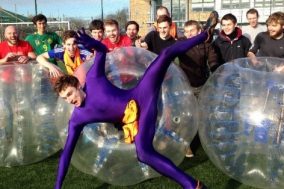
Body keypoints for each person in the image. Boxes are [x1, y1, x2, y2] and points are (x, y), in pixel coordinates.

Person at [53, 12, 218, 189]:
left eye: (69, 94)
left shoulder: (93, 78)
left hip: (140, 95)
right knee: (144, 153)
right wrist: (57, 186)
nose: (69, 100)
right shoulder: (78, 118)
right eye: (64, 98)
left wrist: (94, 44)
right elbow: (66, 154)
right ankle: (195, 186)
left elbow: (102, 51)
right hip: (136, 118)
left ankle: (205, 34)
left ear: (77, 85)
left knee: (166, 54)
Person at [178, 19, 218, 158]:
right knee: (186, 116)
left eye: (192, 31)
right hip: (185, 86)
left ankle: (207, 141)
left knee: (203, 115)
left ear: (199, 31)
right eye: (186, 31)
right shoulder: (181, 42)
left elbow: (213, 60)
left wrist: (215, 69)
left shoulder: (206, 44)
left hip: (202, 85)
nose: (188, 34)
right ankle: (186, 145)